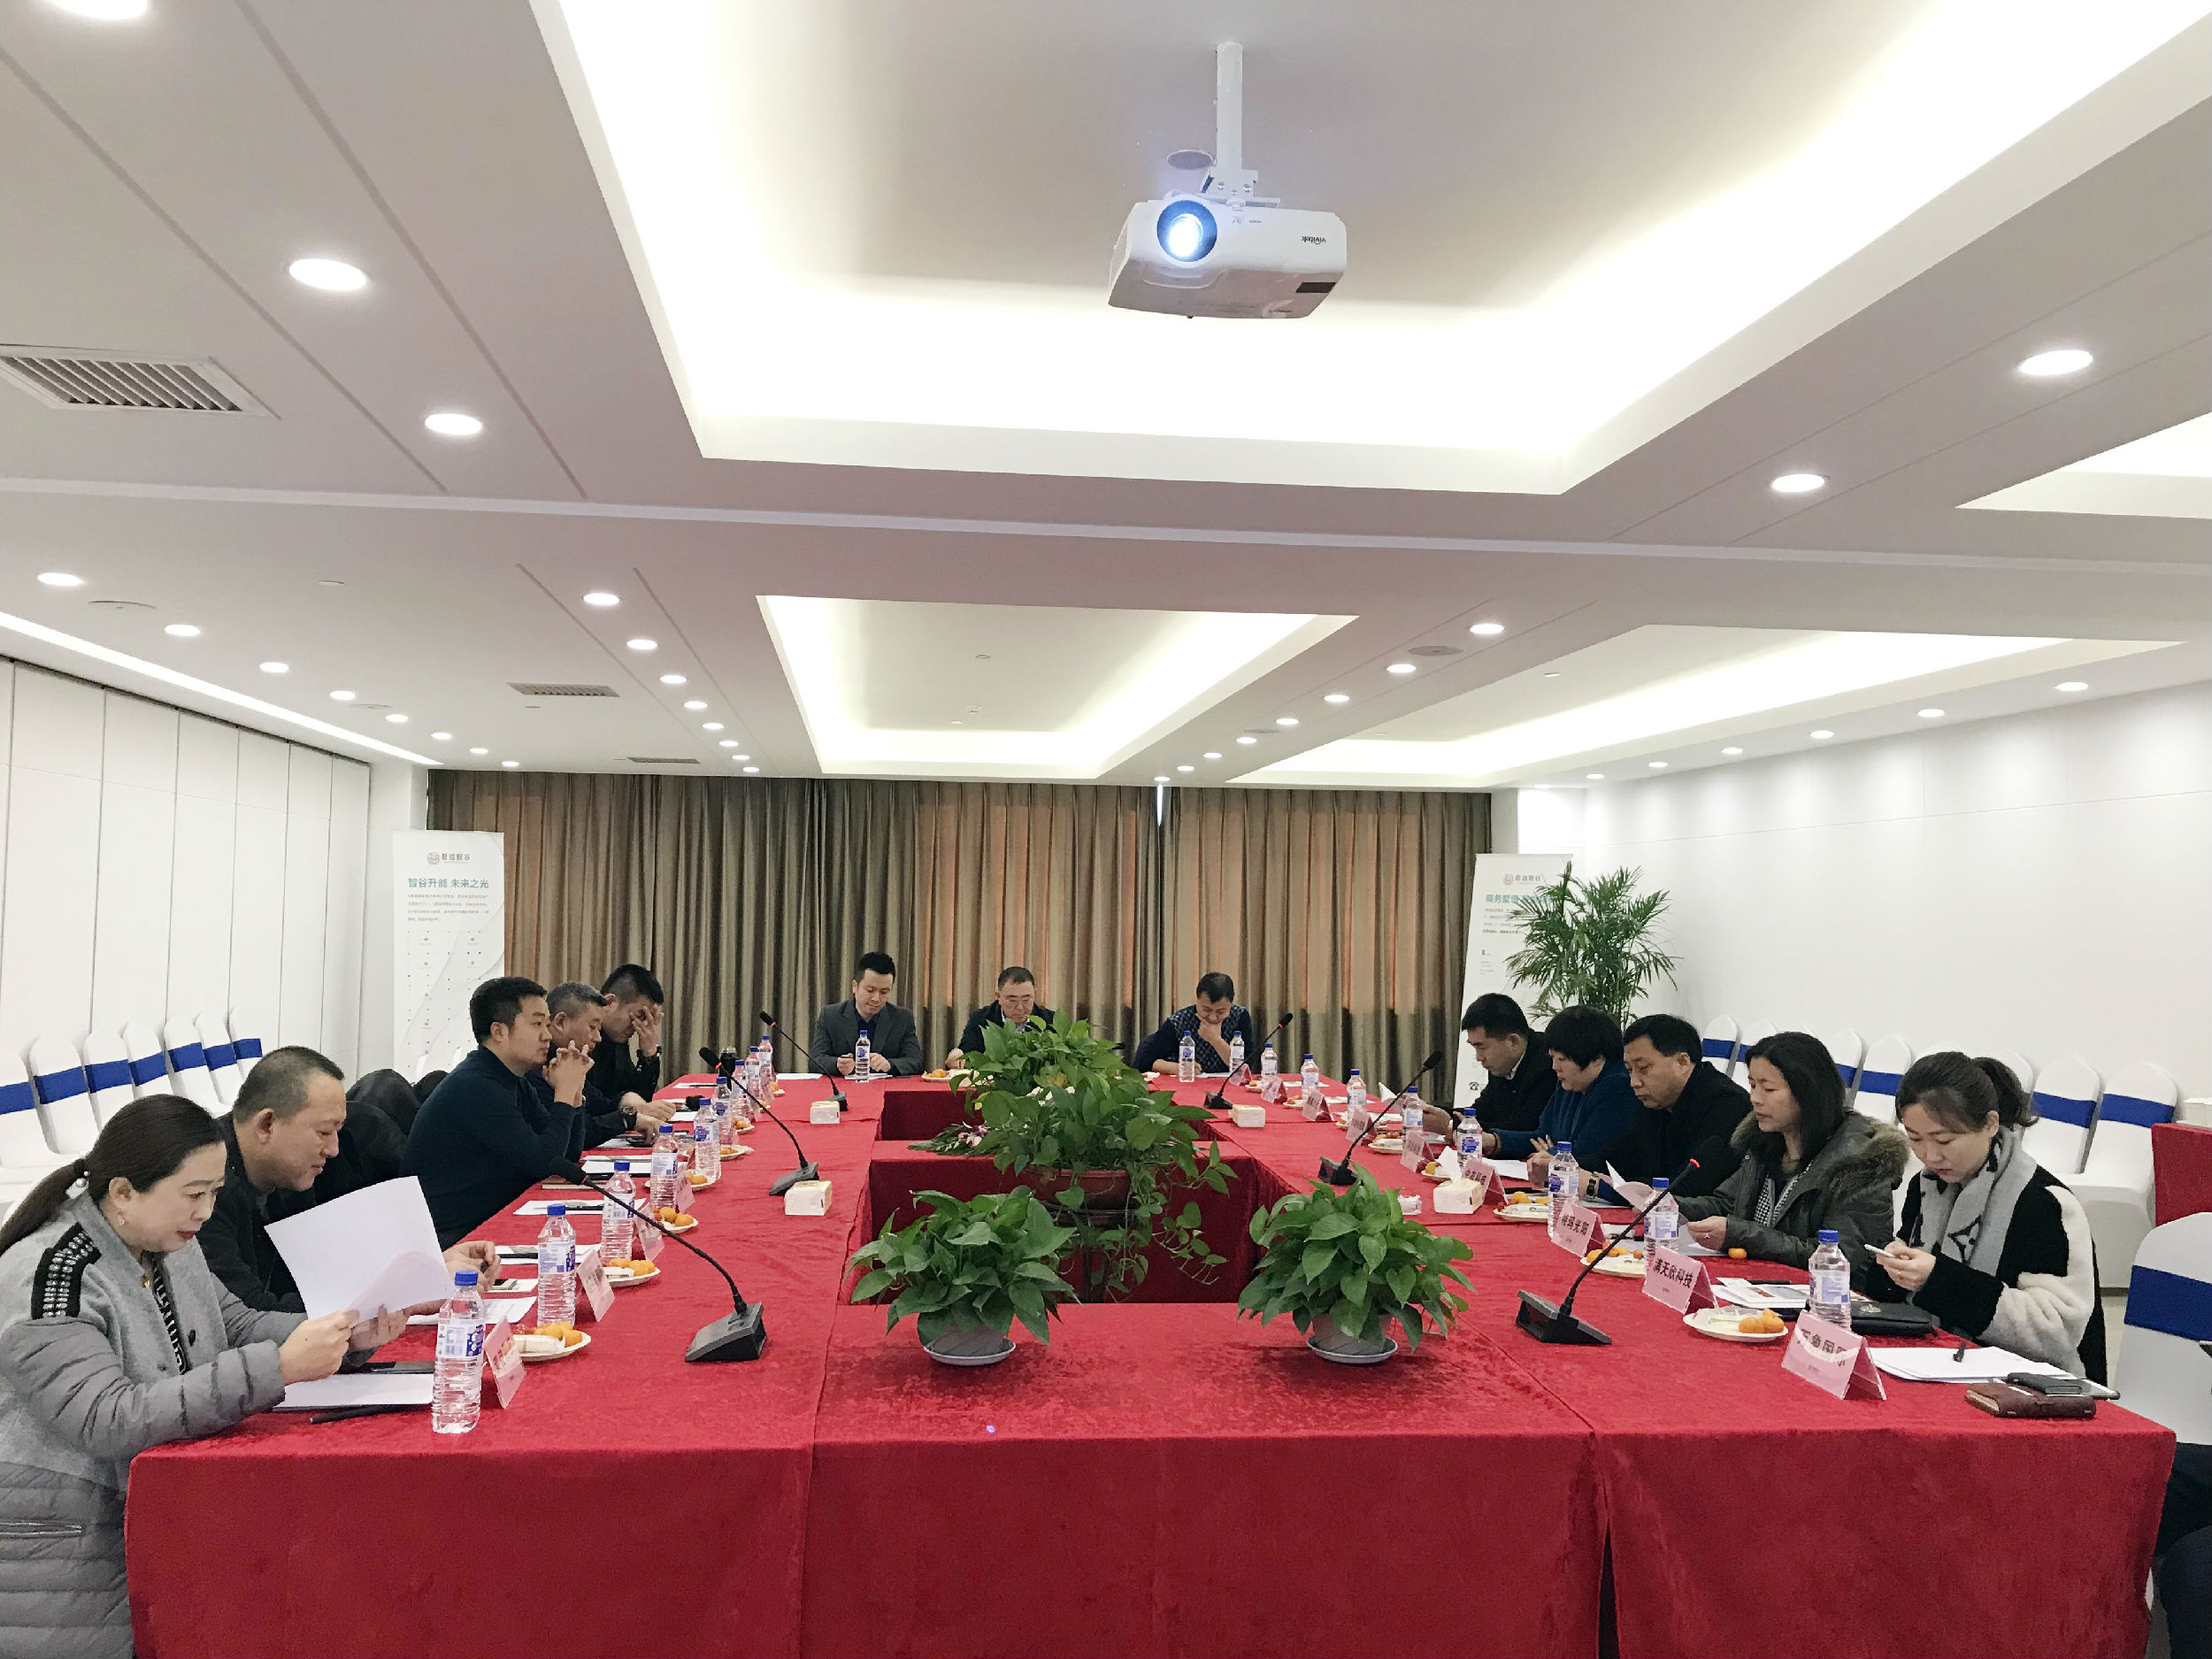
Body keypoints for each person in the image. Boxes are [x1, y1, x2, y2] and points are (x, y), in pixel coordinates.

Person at [0, 1096, 405, 1655]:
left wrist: (342, 1335)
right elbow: (108, 1417)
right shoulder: (53, 1276)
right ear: (123, 1192)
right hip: (64, 1540)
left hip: (151, 1508)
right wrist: (280, 1367)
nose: (207, 1212)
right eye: (194, 1194)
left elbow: (235, 1325)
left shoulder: (163, 1241)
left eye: (215, 1192)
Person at [200, 1046, 497, 1313]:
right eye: (324, 1132)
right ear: (267, 1124)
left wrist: (429, 1266)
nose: (333, 1150)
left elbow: (332, 1276)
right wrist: (406, 1294)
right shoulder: (204, 1194)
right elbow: (254, 1315)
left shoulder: (292, 1173)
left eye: (337, 1132)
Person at [1862, 1053, 2105, 1379]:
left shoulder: (2042, 1202)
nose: (1930, 1155)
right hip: (1940, 1362)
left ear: (1990, 1124)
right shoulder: (1927, 1185)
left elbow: (2057, 1332)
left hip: (2033, 1384)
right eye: (1915, 1138)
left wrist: (1938, 1279)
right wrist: (1894, 1269)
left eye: (1945, 1140)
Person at [1677, 1031, 1908, 1273]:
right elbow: (1728, 1204)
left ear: (1807, 1092)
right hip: (1758, 1281)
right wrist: (1673, 1205)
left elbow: (1838, 1257)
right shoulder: (1765, 1144)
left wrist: (1741, 1235)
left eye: (1768, 1089)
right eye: (1752, 1085)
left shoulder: (1861, 1160)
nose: (1755, 1098)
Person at [404, 976, 590, 1245]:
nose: (548, 1035)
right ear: (499, 1032)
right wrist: (563, 1093)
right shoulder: (476, 1086)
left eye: (547, 1024)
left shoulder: (512, 1079)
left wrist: (574, 1092)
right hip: (452, 1237)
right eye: (537, 1024)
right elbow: (544, 1162)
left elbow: (565, 1157)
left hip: (488, 1217)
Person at [1482, 1007, 1641, 1196]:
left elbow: (1584, 1155)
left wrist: (1552, 1153)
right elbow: (1542, 1135)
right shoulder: (1571, 1082)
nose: (1554, 1067)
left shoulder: (1618, 1088)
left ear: (1596, 1059)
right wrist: (1494, 1141)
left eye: (1562, 1059)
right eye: (1552, 1057)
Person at [1615, 1013, 1750, 1198]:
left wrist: (1605, 1188)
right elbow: (1619, 1157)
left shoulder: (1727, 1105)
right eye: (1629, 1070)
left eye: (1643, 1068)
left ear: (1682, 1062)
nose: (1634, 1082)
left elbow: (1691, 1188)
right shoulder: (1656, 1102)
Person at [533, 982, 672, 1149]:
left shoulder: (568, 1059)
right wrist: (627, 1118)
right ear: (560, 1022)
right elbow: (571, 1137)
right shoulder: (535, 1069)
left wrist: (627, 1101)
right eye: (537, 1025)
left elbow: (601, 1105)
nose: (598, 1038)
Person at [810, 953, 926, 1078]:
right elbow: (815, 1060)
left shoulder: (903, 1018)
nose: (876, 998)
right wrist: (837, 1064)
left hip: (886, 1087)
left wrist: (889, 1064)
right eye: (870, 990)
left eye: (884, 992)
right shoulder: (830, 1016)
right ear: (855, 987)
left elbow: (916, 1062)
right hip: (844, 1087)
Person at [1461, 993, 1554, 1136]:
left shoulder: (1547, 1065)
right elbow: (1482, 1111)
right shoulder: (1503, 1065)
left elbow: (1523, 1128)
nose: (1479, 1057)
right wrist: (1445, 1116)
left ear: (1513, 1041)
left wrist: (1455, 1126)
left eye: (1482, 1047)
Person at [1134, 973, 1260, 1077]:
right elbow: (1144, 1061)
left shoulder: (1239, 1016)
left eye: (1221, 1012)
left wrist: (1215, 1040)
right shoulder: (1179, 1021)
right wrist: (1179, 1068)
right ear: (1197, 1000)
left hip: (1226, 1087)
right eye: (1206, 1010)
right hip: (1186, 1085)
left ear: (1230, 1004)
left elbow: (1246, 1067)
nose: (1212, 1017)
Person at [948, 966, 1056, 1067]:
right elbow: (966, 1054)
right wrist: (957, 1057)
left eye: (1026, 1000)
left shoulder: (1050, 1021)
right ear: (999, 997)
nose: (1020, 1007)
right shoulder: (981, 1019)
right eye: (1012, 1000)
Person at [589, 963, 665, 1106]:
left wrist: (649, 1054)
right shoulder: (582, 1037)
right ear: (610, 1002)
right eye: (639, 1016)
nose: (638, 1026)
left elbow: (637, 1097)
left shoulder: (617, 1039)